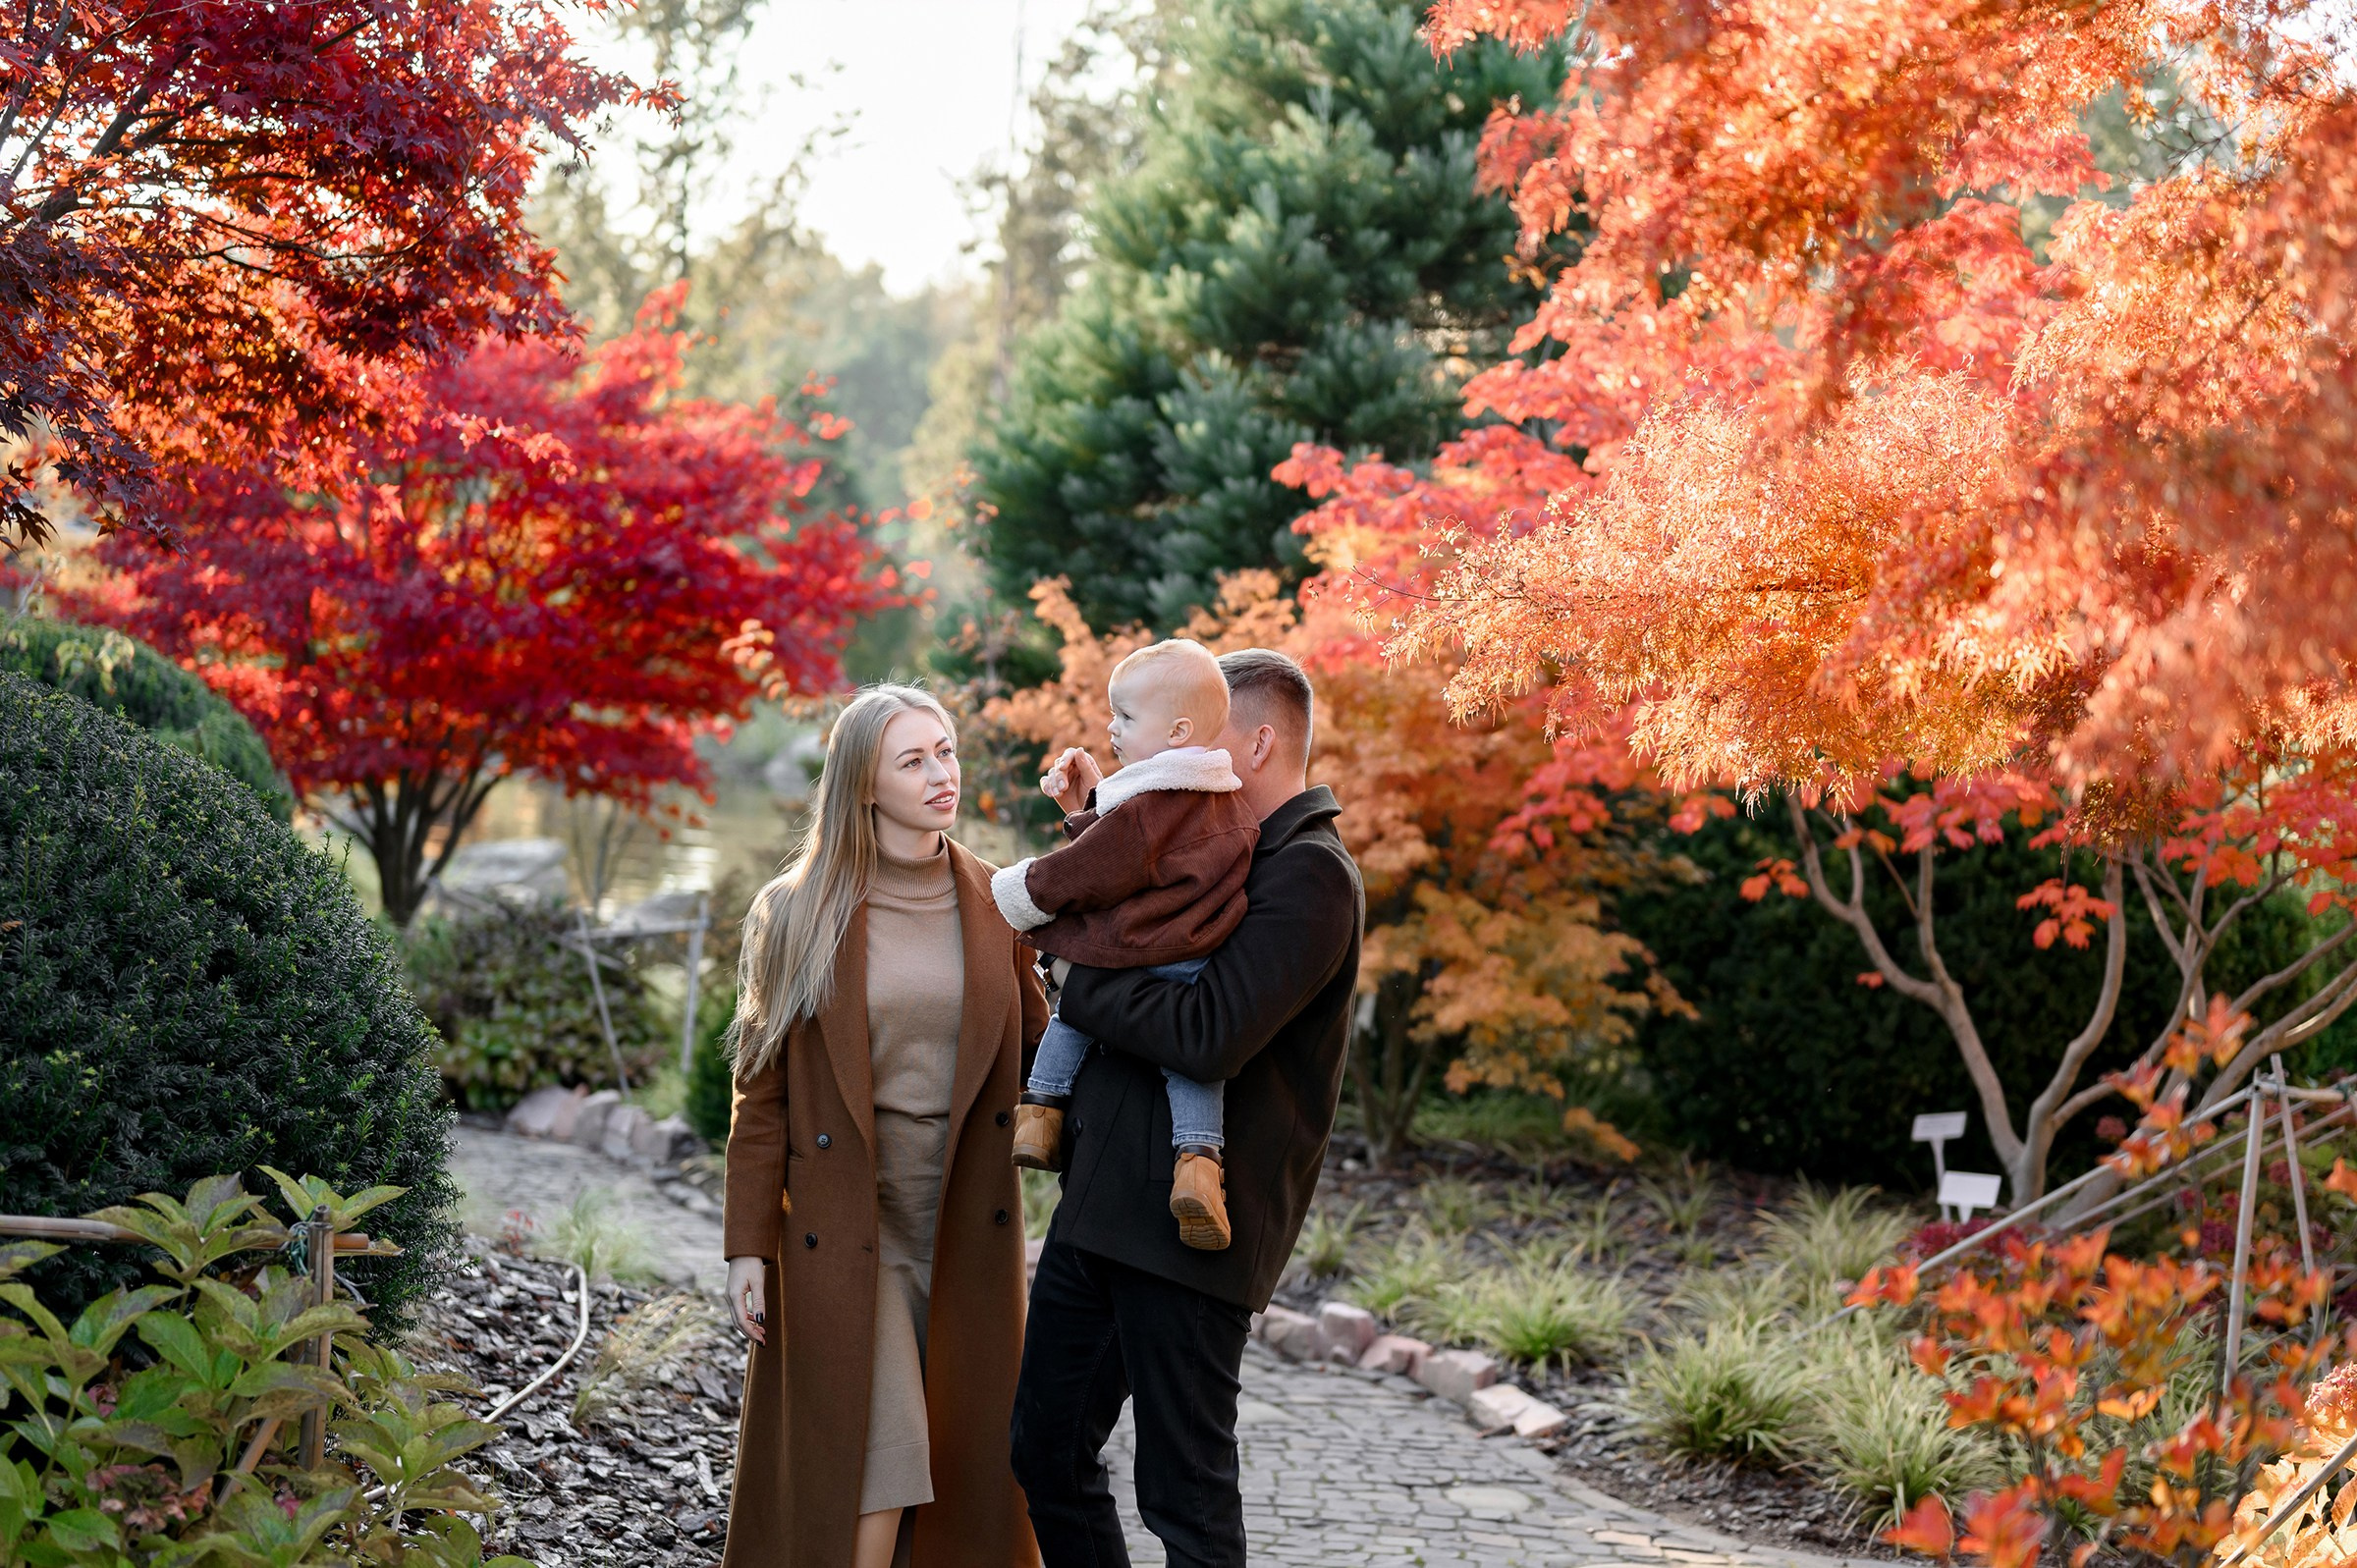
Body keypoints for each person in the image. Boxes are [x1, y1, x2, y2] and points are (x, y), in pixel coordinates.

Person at [1008, 649, 1365, 1568]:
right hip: (1101, 1209)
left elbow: (1207, 1033)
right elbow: (1127, 895)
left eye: (1206, 737)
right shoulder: (1212, 849)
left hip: (1194, 1237)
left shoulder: (1310, 874)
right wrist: (1091, 817)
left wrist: (1078, 977)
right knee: (1043, 1451)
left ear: (1256, 741)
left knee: (1185, 1501)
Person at [720, 685, 1048, 1568]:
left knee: (962, 1473)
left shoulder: (1000, 900)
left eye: (945, 750)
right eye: (913, 760)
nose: (943, 774)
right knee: (881, 1467)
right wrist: (748, 1244)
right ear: (863, 784)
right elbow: (762, 1092)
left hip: (964, 1227)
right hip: (845, 1232)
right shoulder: (798, 911)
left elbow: (1043, 1061)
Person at [989, 637, 1259, 1251]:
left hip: (1132, 946)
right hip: (1194, 955)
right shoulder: (1231, 805)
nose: (1112, 726)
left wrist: (1018, 891)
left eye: (1127, 717)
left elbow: (1098, 865)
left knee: (1073, 1015)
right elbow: (1152, 853)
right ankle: (1198, 1162)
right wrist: (1093, 800)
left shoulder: (1148, 809)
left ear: (1178, 730)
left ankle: (1040, 1113)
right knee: (1189, 1068)